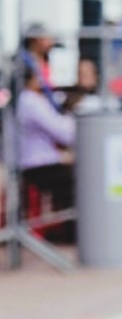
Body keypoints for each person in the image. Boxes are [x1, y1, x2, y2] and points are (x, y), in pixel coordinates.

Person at [16, 61, 76, 243]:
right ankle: (71, 234)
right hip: (37, 165)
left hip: (31, 162)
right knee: (81, 178)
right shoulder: (31, 101)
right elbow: (64, 133)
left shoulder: (22, 100)